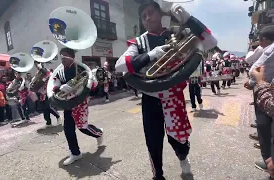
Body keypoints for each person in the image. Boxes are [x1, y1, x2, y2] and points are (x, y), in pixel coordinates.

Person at [115, 2, 217, 179]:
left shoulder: (177, 32)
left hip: (173, 96)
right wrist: (151, 54)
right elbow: (120, 65)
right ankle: (158, 175)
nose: (147, 18)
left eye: (151, 13)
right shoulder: (138, 42)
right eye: (144, 16)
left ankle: (183, 158)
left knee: (179, 140)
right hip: (150, 98)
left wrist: (186, 17)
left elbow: (210, 41)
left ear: (159, 14)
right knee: (153, 142)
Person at [53, 47, 104, 166]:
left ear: (72, 56)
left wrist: (93, 81)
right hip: (67, 102)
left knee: (82, 127)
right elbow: (54, 84)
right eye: (61, 55)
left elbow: (93, 85)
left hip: (80, 101)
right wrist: (59, 87)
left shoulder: (81, 68)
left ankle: (99, 133)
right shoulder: (59, 71)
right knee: (68, 129)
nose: (62, 58)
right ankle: (75, 153)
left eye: (65, 55)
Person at [247, 25, 274, 174]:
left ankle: (269, 161)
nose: (259, 42)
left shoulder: (269, 49)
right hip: (265, 89)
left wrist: (258, 84)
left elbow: (254, 69)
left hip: (267, 92)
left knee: (264, 126)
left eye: (260, 39)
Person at [34, 62, 61, 127]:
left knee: (48, 107)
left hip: (47, 92)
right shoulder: (37, 73)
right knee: (44, 109)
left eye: (38, 64)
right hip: (41, 93)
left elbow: (52, 77)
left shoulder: (47, 71)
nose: (37, 66)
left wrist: (45, 77)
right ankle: (48, 122)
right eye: (36, 65)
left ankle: (58, 116)